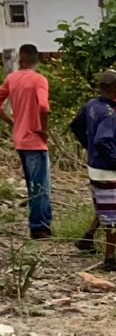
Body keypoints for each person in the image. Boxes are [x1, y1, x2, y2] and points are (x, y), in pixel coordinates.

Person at [69, 70, 116, 273]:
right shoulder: (108, 113)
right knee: (114, 212)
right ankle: (110, 257)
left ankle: (87, 238)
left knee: (102, 203)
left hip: (94, 163)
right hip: (105, 167)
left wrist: (88, 146)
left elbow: (76, 126)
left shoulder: (91, 106)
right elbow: (103, 139)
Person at [0, 43, 53, 238]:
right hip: (35, 139)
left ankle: (42, 222)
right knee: (41, 185)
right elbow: (44, 107)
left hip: (20, 138)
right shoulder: (39, 80)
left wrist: (12, 122)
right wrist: (44, 129)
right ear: (36, 60)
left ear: (20, 60)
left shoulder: (12, 78)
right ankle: (39, 226)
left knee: (33, 183)